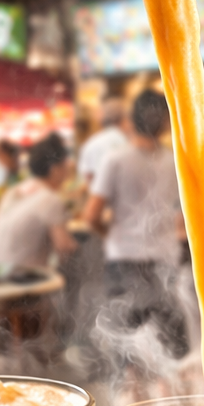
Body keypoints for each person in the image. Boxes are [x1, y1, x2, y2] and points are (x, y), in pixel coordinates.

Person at [84, 89, 187, 356]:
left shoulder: (115, 160)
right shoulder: (176, 162)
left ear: (132, 120)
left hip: (124, 258)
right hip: (164, 259)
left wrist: (111, 234)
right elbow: (185, 213)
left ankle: (131, 393)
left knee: (126, 345)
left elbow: (91, 215)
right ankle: (164, 394)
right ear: (165, 122)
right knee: (165, 345)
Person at [0, 132, 76, 271]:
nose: (68, 170)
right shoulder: (50, 199)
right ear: (55, 169)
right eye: (65, 165)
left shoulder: (13, 191)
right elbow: (64, 246)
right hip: (19, 281)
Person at [78, 99, 128, 190]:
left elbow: (87, 178)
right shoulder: (130, 142)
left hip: (100, 200)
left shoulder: (89, 145)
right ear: (124, 119)